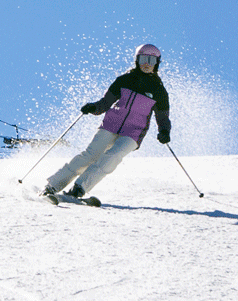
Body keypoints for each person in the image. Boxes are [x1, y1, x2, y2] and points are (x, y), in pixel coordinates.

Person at [43, 44, 172, 202]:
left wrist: (164, 132)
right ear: (137, 60)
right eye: (144, 59)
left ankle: (79, 189)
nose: (147, 63)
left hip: (134, 133)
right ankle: (52, 186)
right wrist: (93, 107)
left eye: (151, 60)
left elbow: (163, 117)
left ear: (157, 63)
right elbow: (105, 103)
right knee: (90, 155)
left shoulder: (159, 90)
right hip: (111, 125)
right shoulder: (124, 80)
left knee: (113, 156)